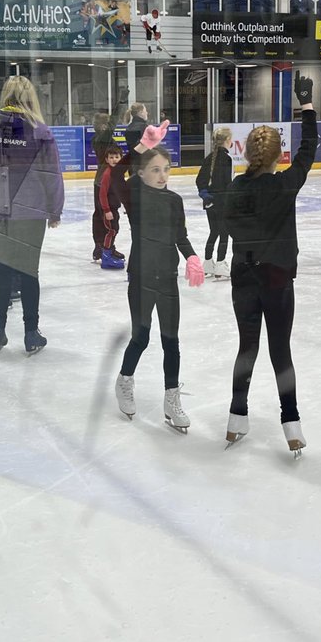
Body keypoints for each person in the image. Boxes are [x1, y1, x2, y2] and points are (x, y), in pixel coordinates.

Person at [224, 72, 317, 456]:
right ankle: (291, 424)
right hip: (277, 278)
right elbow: (309, 148)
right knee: (281, 351)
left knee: (247, 348)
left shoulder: (235, 188)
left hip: (244, 276)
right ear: (279, 155)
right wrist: (306, 104)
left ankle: (235, 419)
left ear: (246, 154)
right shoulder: (284, 184)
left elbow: (229, 228)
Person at [114, 121, 205, 430]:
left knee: (171, 341)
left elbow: (180, 236)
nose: (162, 175)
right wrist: (140, 146)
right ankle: (125, 381)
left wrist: (191, 256)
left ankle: (171, 398)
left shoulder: (175, 201)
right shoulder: (135, 195)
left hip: (167, 278)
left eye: (165, 169)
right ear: (141, 173)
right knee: (141, 336)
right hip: (140, 277)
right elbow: (114, 175)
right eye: (155, 169)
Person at [0, 76, 64, 355]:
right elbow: (53, 174)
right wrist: (55, 208)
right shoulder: (40, 130)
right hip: (31, 210)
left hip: (0, 210)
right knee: (28, 272)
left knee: (1, 271)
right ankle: (30, 333)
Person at [196, 127, 234, 278]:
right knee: (224, 234)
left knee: (214, 232)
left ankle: (207, 264)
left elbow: (199, 180)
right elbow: (227, 184)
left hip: (210, 203)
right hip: (222, 203)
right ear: (227, 141)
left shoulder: (209, 157)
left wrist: (206, 195)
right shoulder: (226, 159)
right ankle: (220, 264)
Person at [92, 142, 127, 268]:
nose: (114, 160)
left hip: (114, 207)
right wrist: (106, 210)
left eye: (116, 157)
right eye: (111, 157)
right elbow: (102, 194)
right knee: (111, 230)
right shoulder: (107, 174)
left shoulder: (118, 172)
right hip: (108, 209)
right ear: (106, 159)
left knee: (114, 229)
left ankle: (110, 250)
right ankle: (106, 256)